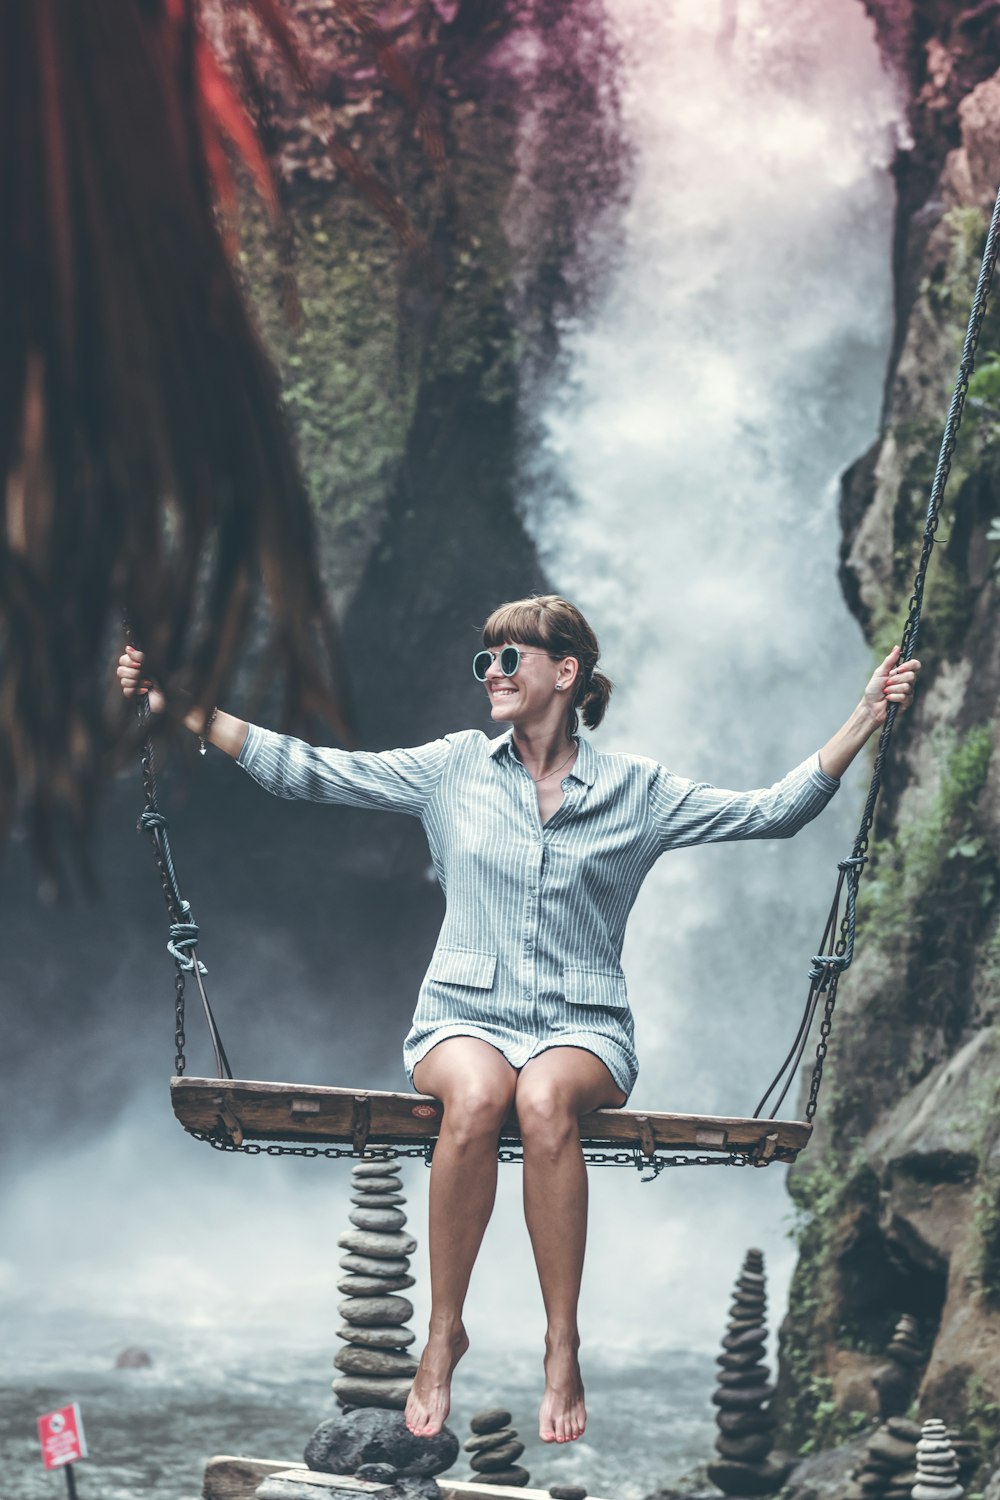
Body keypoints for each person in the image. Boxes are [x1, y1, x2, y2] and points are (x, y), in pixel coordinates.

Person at [117, 593, 920, 1445]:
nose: (491, 674)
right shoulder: (452, 768)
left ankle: (561, 1341)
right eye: (485, 660)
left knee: (542, 1100)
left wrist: (866, 716)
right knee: (476, 1096)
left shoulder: (640, 793)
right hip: (460, 1015)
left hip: (586, 1027)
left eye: (510, 659)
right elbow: (307, 769)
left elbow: (775, 811)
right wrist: (179, 704)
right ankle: (443, 1334)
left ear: (565, 674)